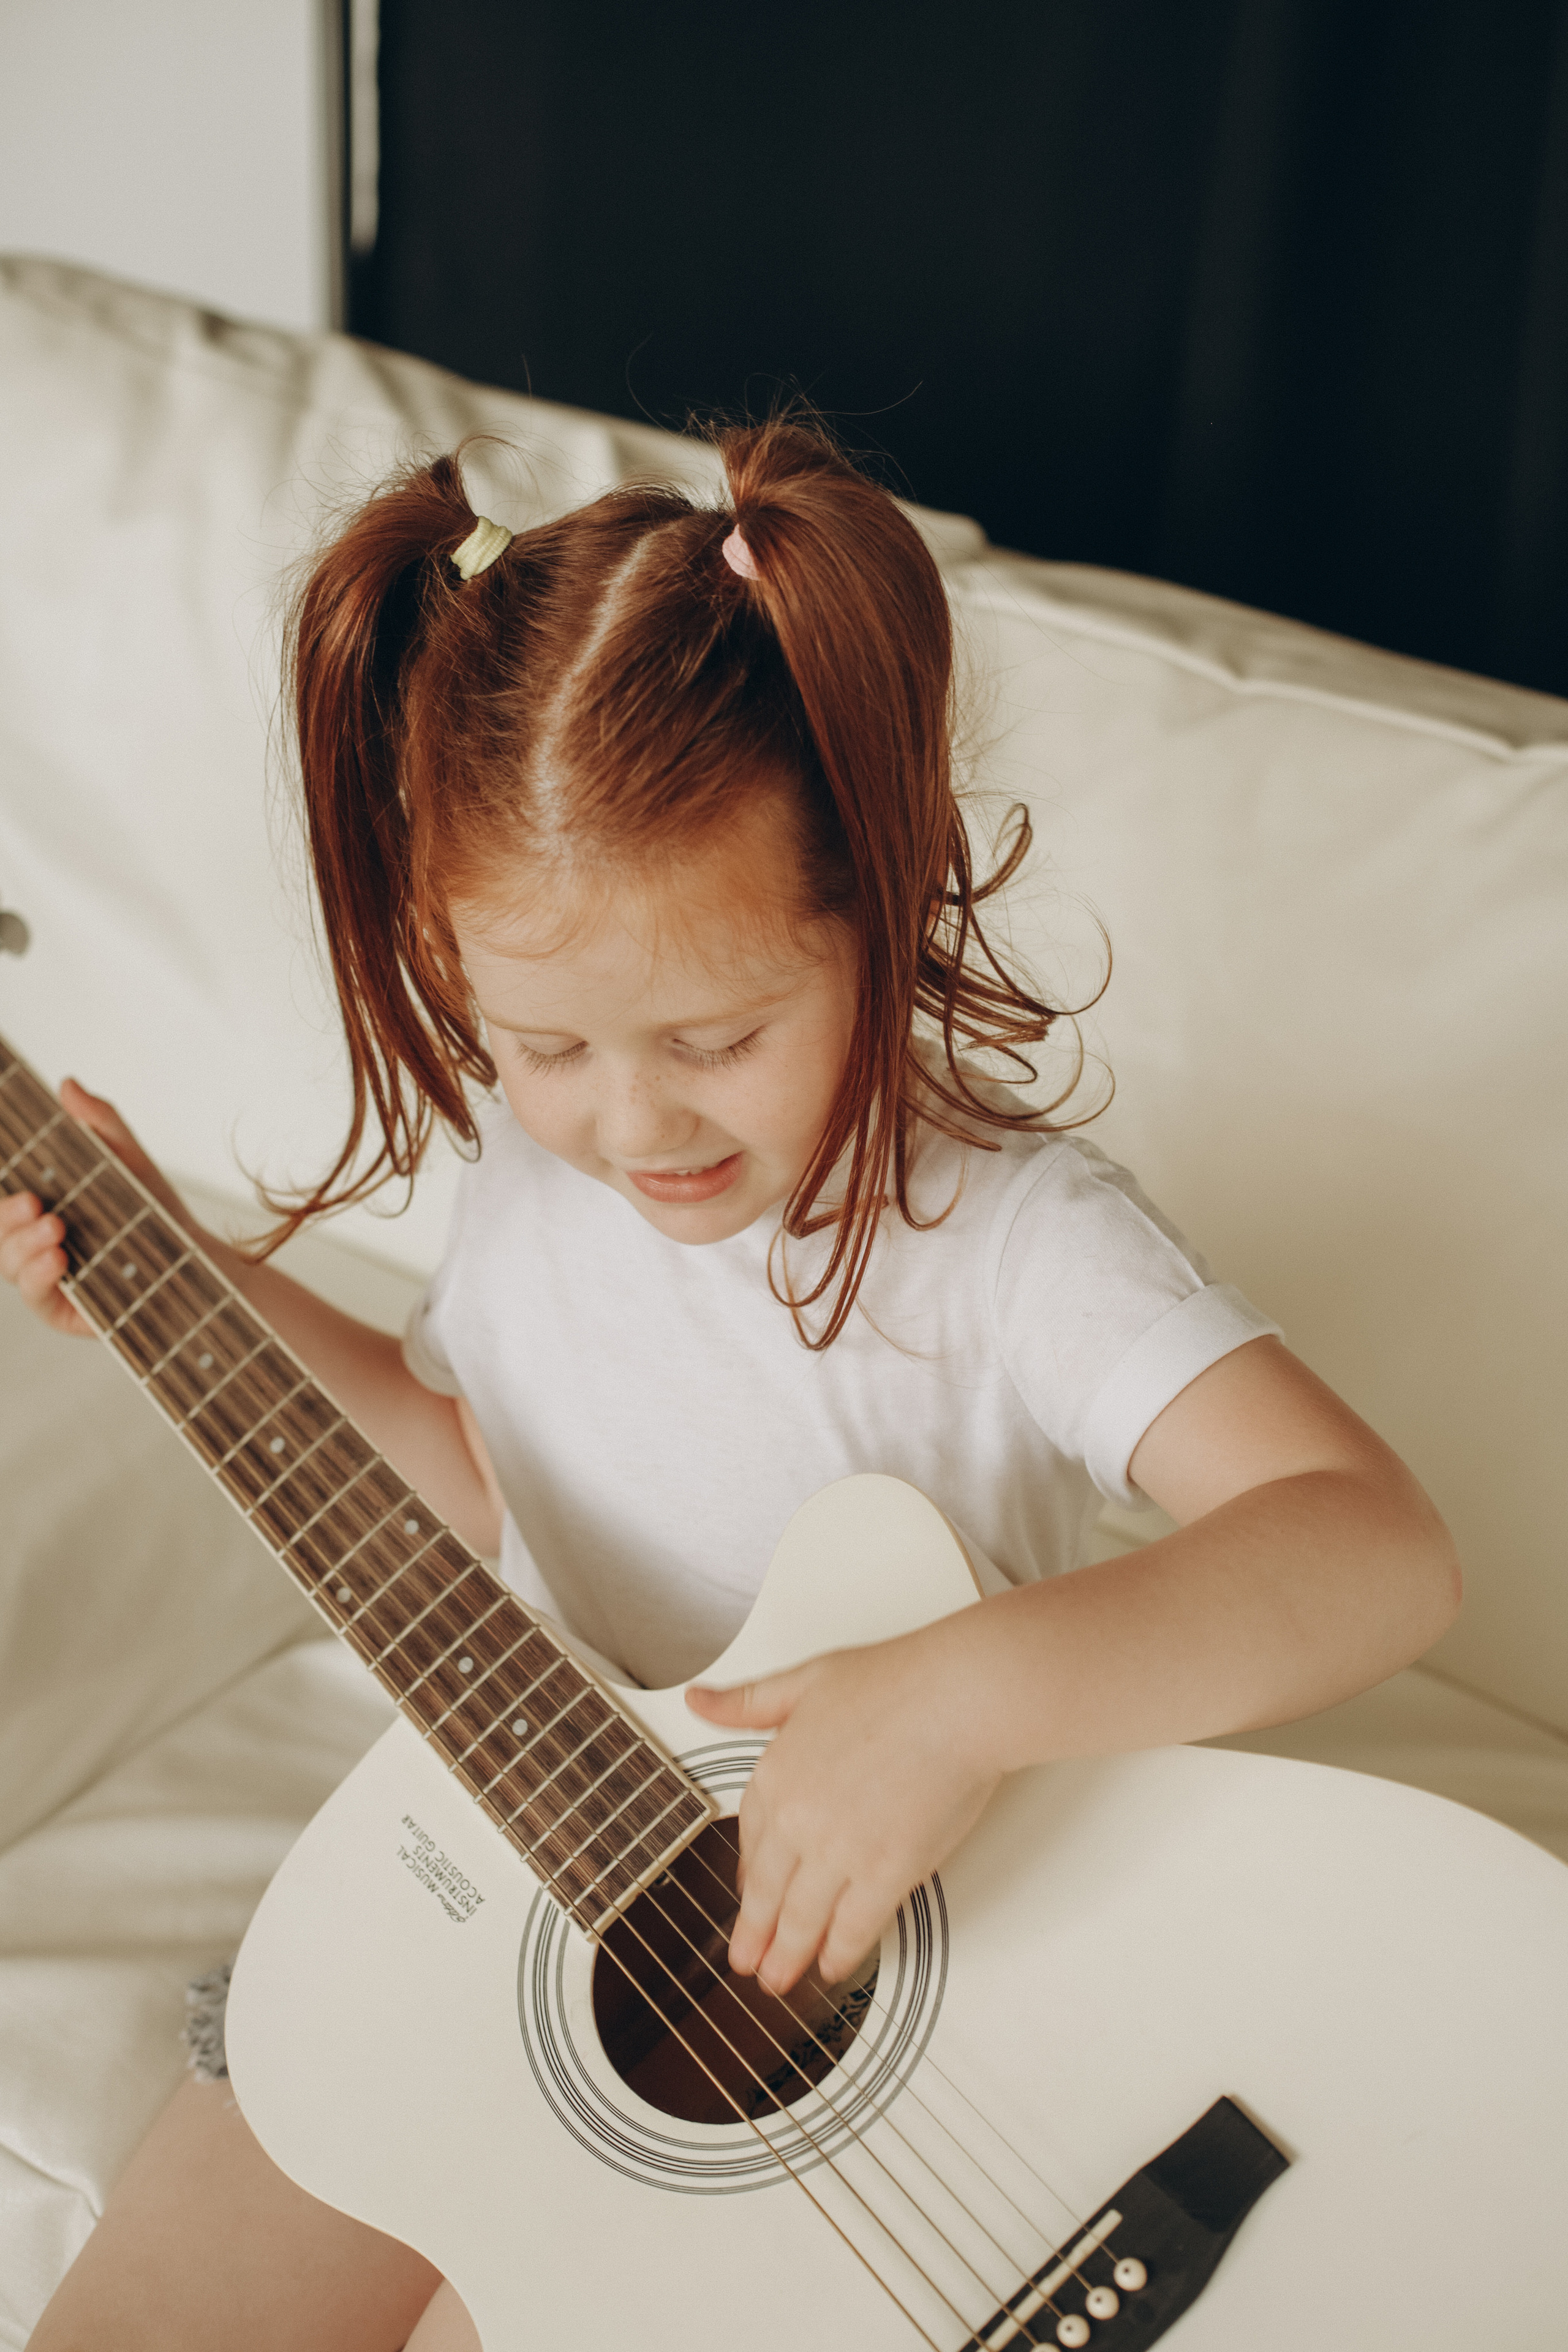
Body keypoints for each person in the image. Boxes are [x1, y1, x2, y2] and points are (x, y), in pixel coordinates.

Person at [2, 421, 1460, 2351]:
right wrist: (188, 1295)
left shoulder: (1012, 1238)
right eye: (542, 1044)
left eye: (717, 1034)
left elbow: (1375, 1553)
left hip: (926, 1972)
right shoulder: (543, 1176)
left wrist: (954, 1700)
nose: (632, 1121)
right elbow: (477, 1474)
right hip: (518, 1876)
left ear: (878, 893)